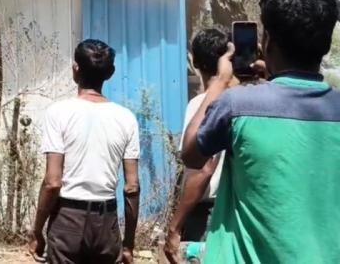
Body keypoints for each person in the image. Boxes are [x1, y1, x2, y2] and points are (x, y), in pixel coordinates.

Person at [181, 0, 340, 263]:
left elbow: (191, 154)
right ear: (326, 44)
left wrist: (220, 81)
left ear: (268, 43)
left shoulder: (237, 105)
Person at [30, 39, 140, 264]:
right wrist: (128, 243)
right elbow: (132, 187)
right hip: (106, 222)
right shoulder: (126, 118)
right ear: (110, 73)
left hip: (67, 220)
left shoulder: (58, 113)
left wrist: (37, 230)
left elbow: (52, 182)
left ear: (75, 69)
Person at [164, 29, 230, 263]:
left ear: (194, 62)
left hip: (206, 215)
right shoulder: (242, 99)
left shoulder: (201, 104)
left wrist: (175, 226)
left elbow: (203, 169)